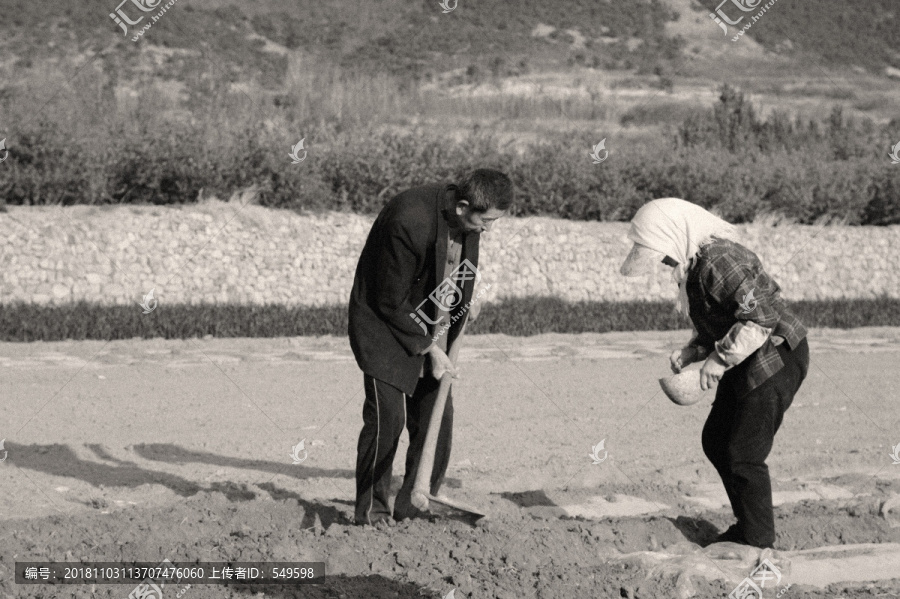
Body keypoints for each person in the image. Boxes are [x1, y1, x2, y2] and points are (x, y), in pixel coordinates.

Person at [619, 198, 809, 549]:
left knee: (743, 453)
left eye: (661, 251)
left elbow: (760, 318)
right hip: (748, 355)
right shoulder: (696, 267)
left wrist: (718, 361)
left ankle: (757, 545)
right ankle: (747, 526)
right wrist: (694, 351)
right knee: (717, 440)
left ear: (676, 233)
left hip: (775, 357)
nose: (662, 260)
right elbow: (723, 320)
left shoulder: (720, 260)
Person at [348, 169, 512, 526]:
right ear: (463, 206)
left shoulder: (471, 221)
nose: (488, 229)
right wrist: (428, 346)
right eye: (486, 221)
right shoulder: (409, 220)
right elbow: (388, 299)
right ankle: (371, 513)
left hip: (431, 325)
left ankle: (414, 505)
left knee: (438, 421)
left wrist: (466, 305)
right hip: (384, 328)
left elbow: (461, 268)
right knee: (387, 421)